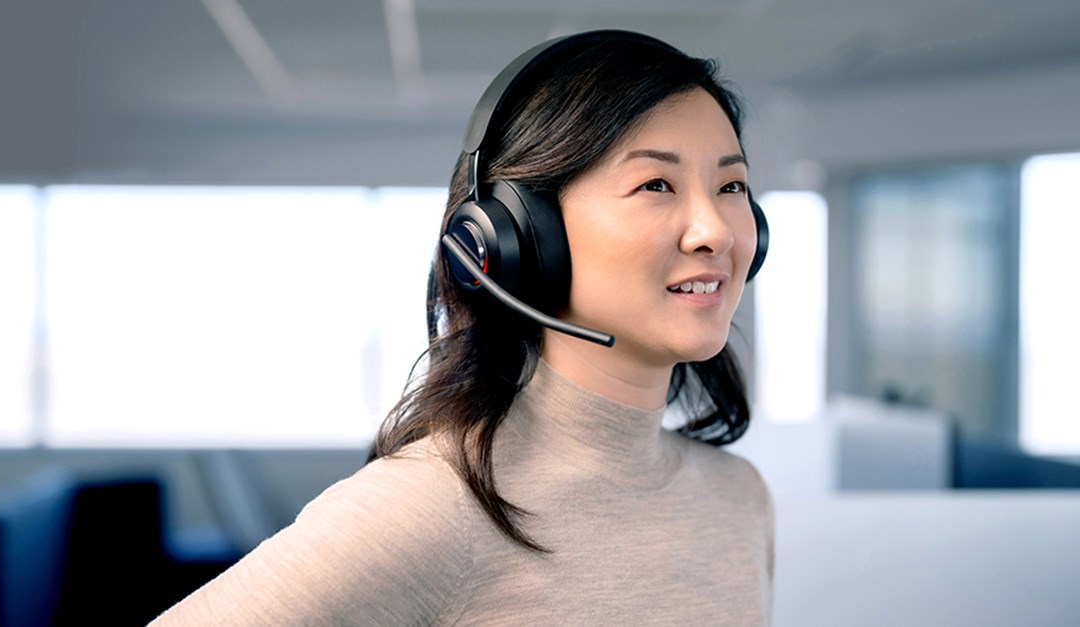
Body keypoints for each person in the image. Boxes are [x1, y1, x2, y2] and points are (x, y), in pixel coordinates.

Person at [153, 29, 773, 626]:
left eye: (732, 185)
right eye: (655, 184)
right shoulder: (431, 504)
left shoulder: (739, 499)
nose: (716, 230)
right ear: (522, 235)